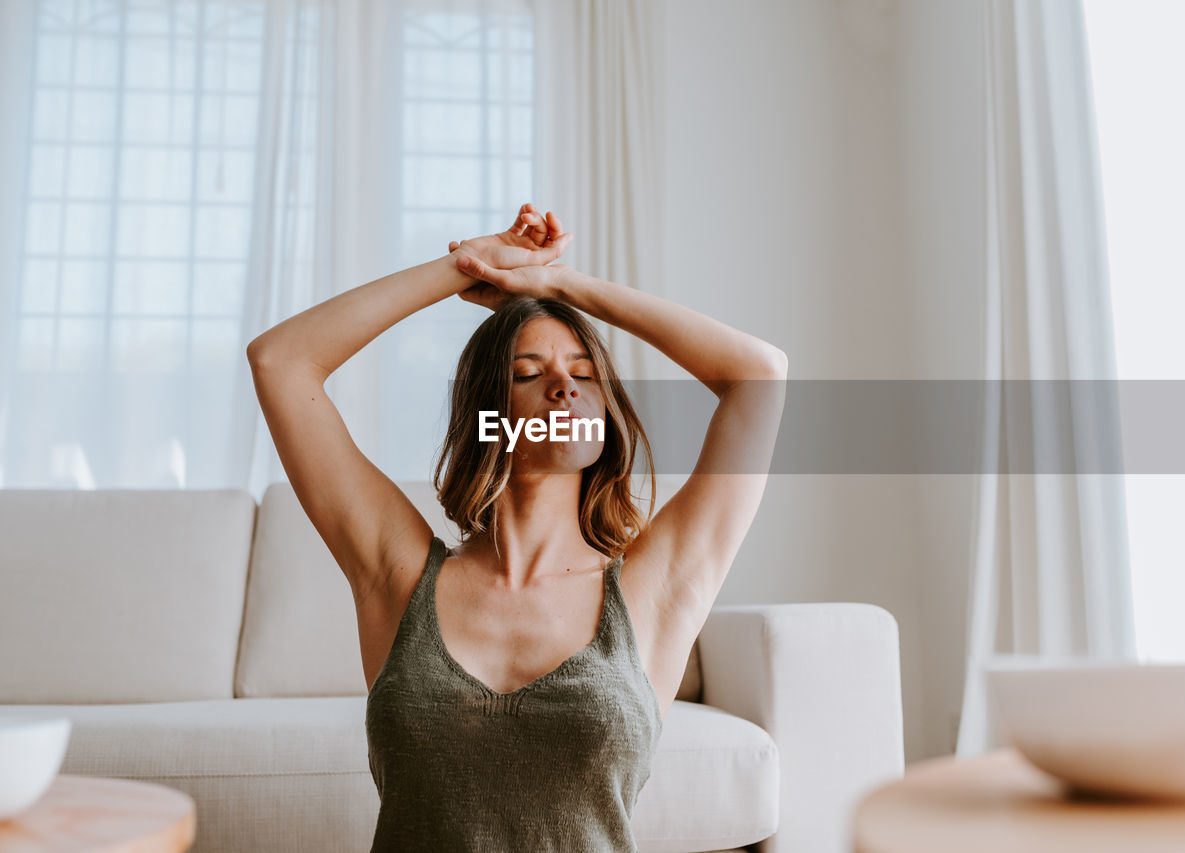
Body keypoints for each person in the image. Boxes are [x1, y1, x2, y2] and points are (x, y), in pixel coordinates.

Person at [245, 203, 788, 851]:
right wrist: (465, 266)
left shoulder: (654, 585)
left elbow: (760, 375)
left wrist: (557, 283)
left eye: (583, 374)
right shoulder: (399, 573)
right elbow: (282, 360)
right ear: (489, 415)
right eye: (528, 373)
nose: (562, 384)